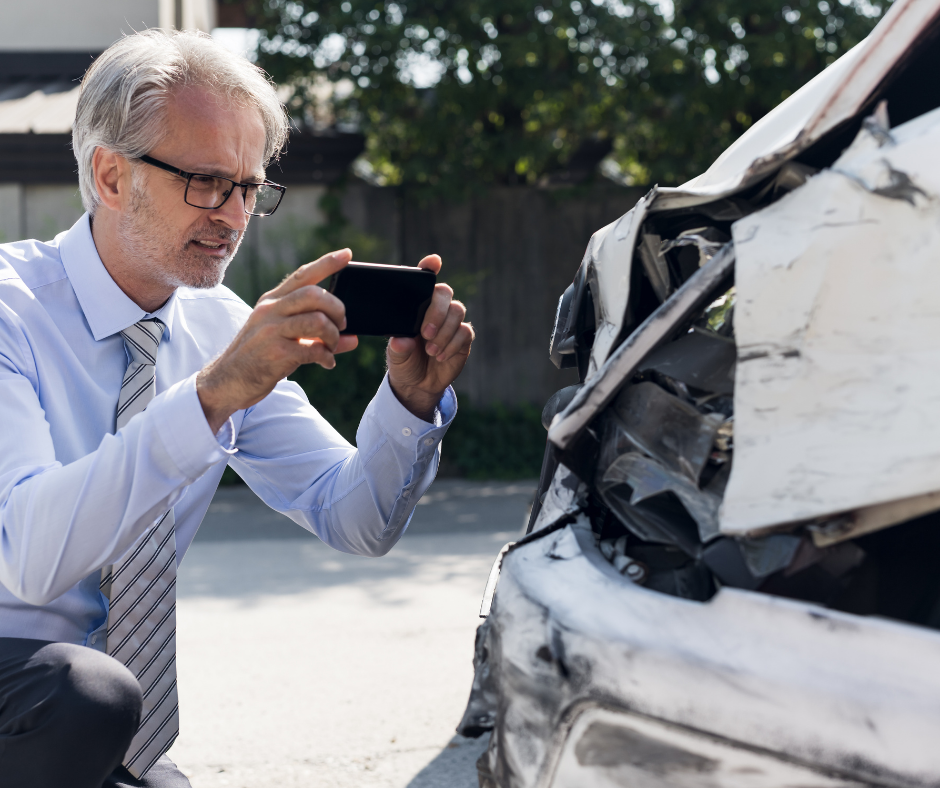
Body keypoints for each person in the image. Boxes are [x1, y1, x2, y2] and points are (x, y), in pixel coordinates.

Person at [0, 29, 473, 788]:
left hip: (93, 732)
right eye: (206, 182)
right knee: (86, 691)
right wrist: (213, 395)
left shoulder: (218, 326)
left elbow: (355, 518)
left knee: (103, 714)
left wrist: (410, 404)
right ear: (112, 175)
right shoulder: (10, 310)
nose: (232, 215)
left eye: (249, 188)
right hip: (42, 693)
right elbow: (30, 559)